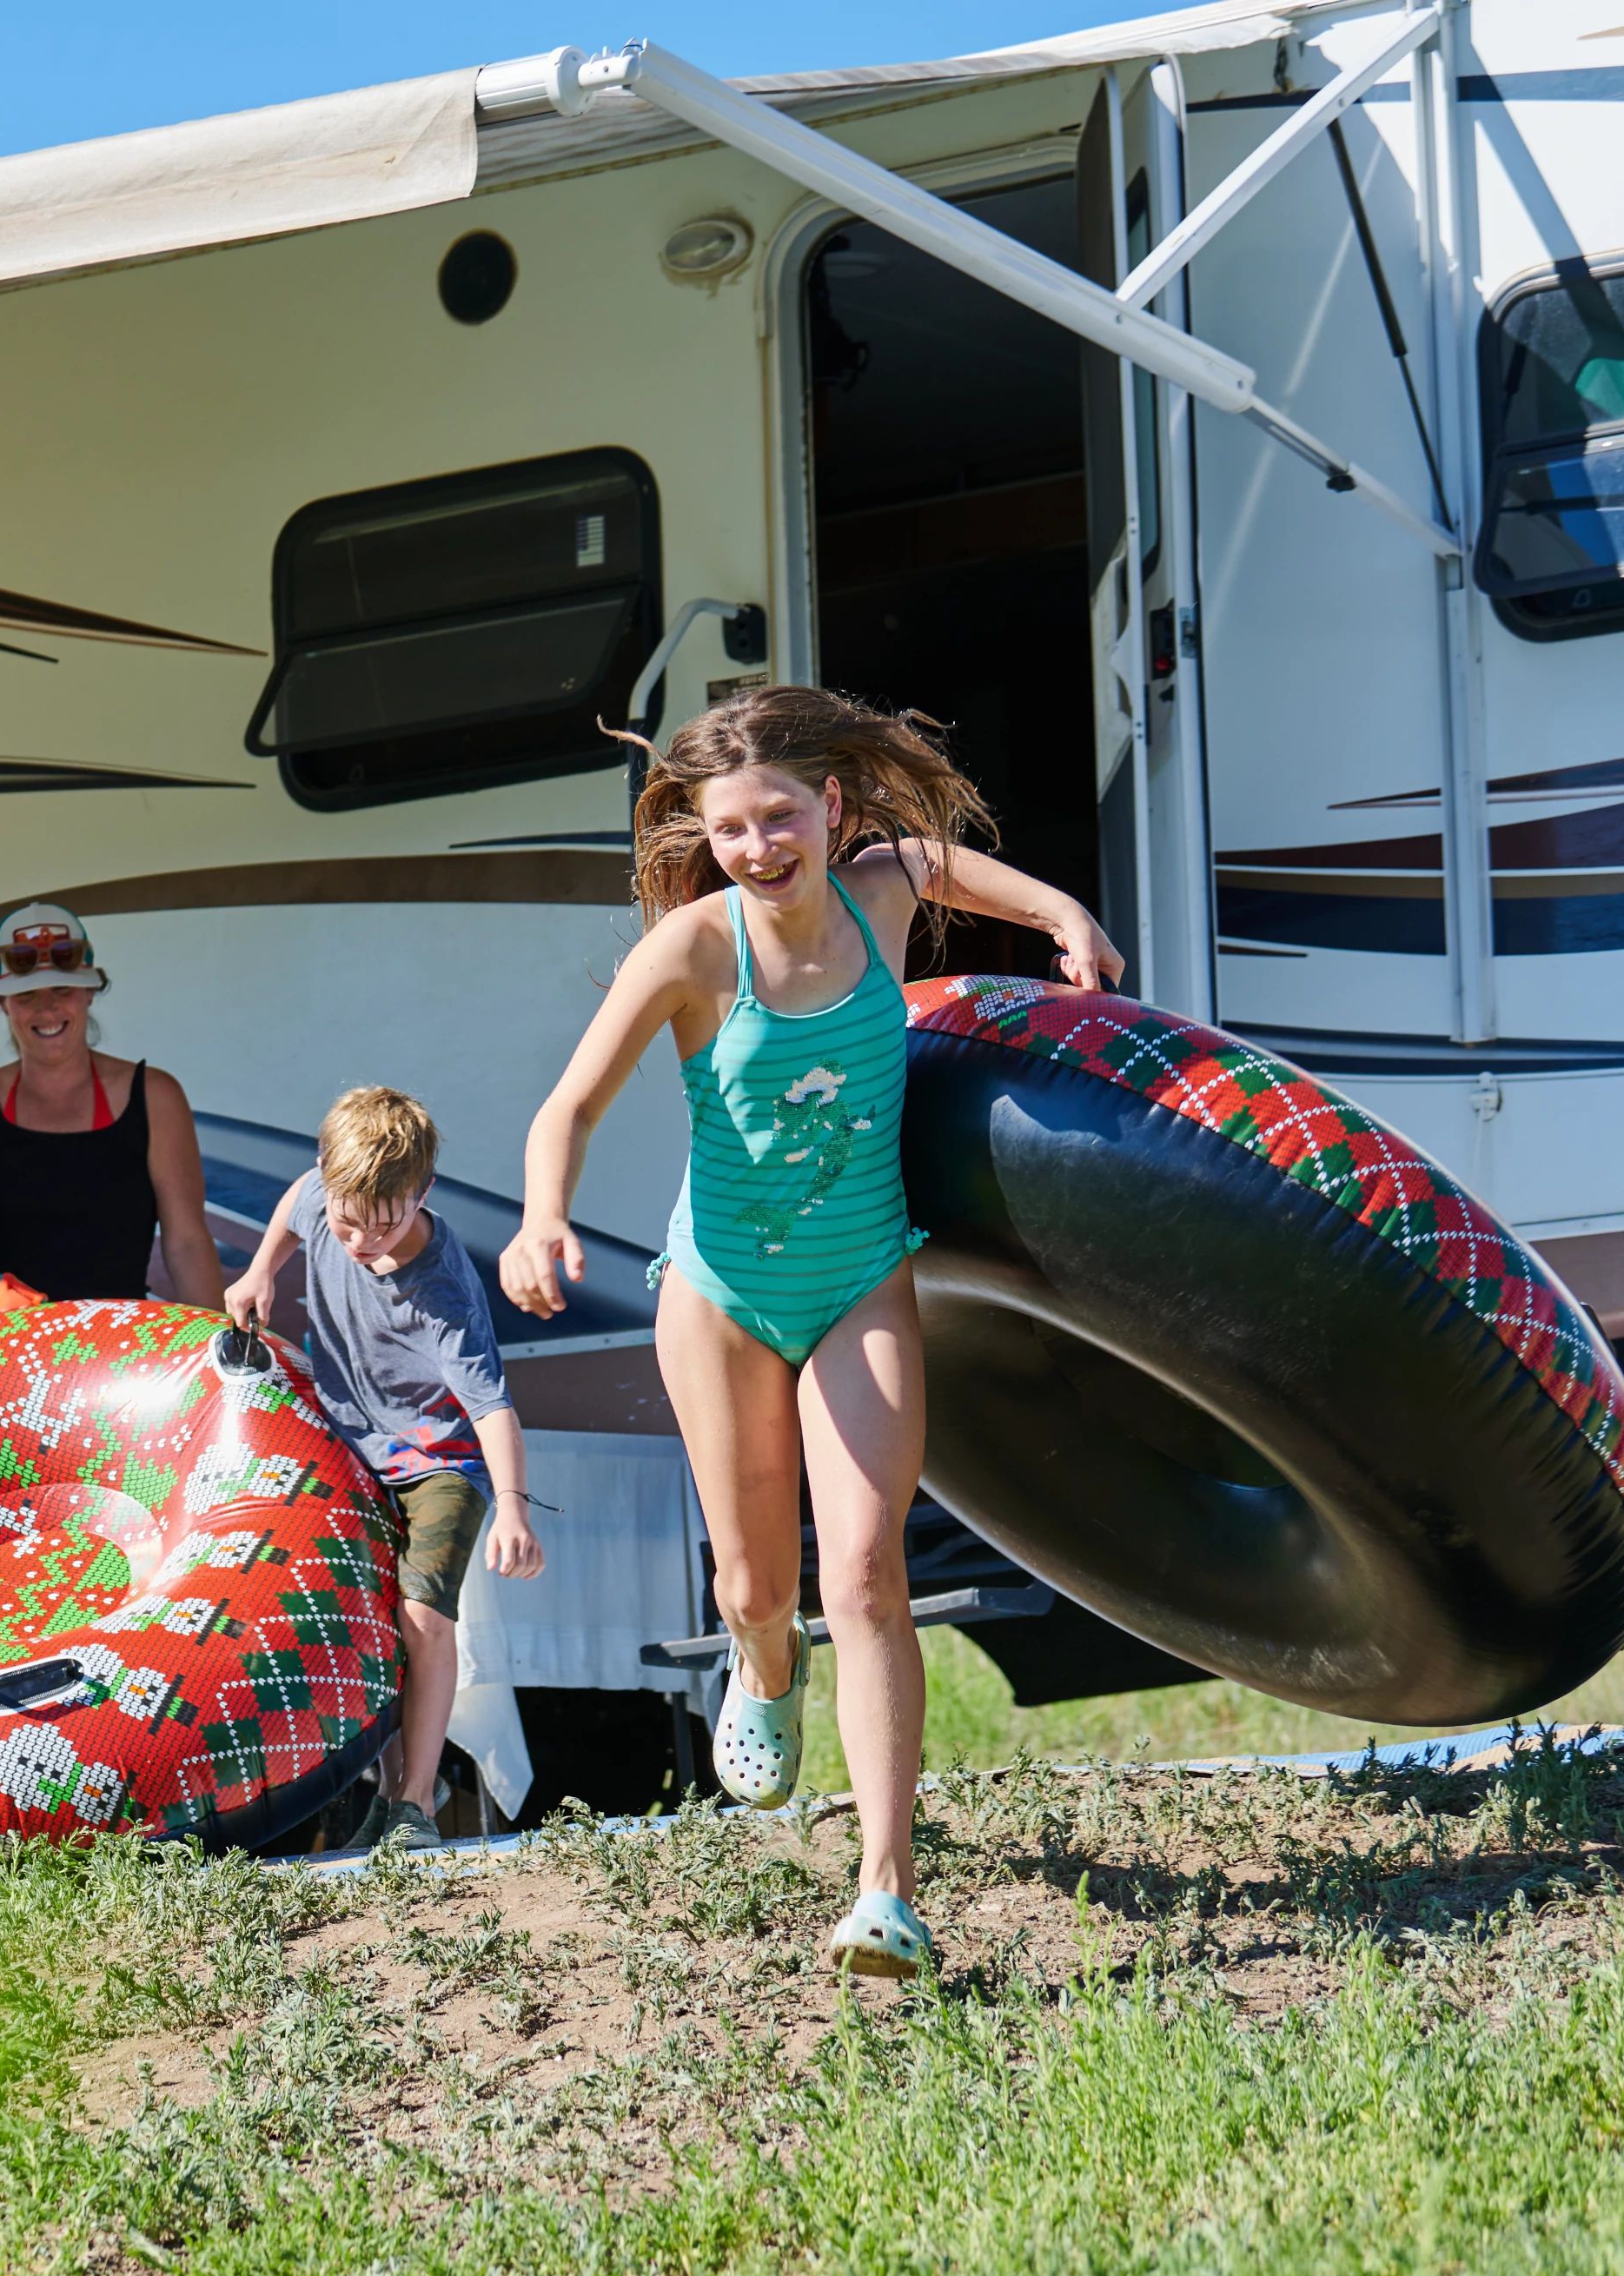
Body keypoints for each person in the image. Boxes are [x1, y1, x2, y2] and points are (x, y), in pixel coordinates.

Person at [498, 686, 1119, 1981]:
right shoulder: (692, 951)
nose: (757, 848)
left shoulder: (878, 893)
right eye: (729, 828)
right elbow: (567, 1107)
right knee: (756, 1587)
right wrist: (541, 1218)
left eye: (779, 816)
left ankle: (886, 1890)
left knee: (870, 1573)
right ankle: (763, 1665)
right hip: (722, 1297)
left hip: (860, 1283)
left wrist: (1064, 915)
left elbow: (955, 868)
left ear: (830, 806)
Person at [226, 1086, 543, 1852]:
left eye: (385, 1224)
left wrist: (513, 1506)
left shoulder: (440, 1290)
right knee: (363, 1618)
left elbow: (491, 1406)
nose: (363, 1240)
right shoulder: (322, 1195)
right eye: (348, 1222)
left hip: (442, 1460)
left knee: (424, 1615)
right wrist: (262, 1270)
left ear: (422, 1191)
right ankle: (399, 1784)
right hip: (355, 1447)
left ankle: (417, 1806)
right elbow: (297, 1203)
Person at [0, 900, 226, 1310]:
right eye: (27, 994)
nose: (47, 1008)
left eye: (62, 989)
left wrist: (223, 1341)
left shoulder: (155, 1098)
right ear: (2, 1002)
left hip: (117, 1342)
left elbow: (187, 1242)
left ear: (89, 992)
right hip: (0, 1344)